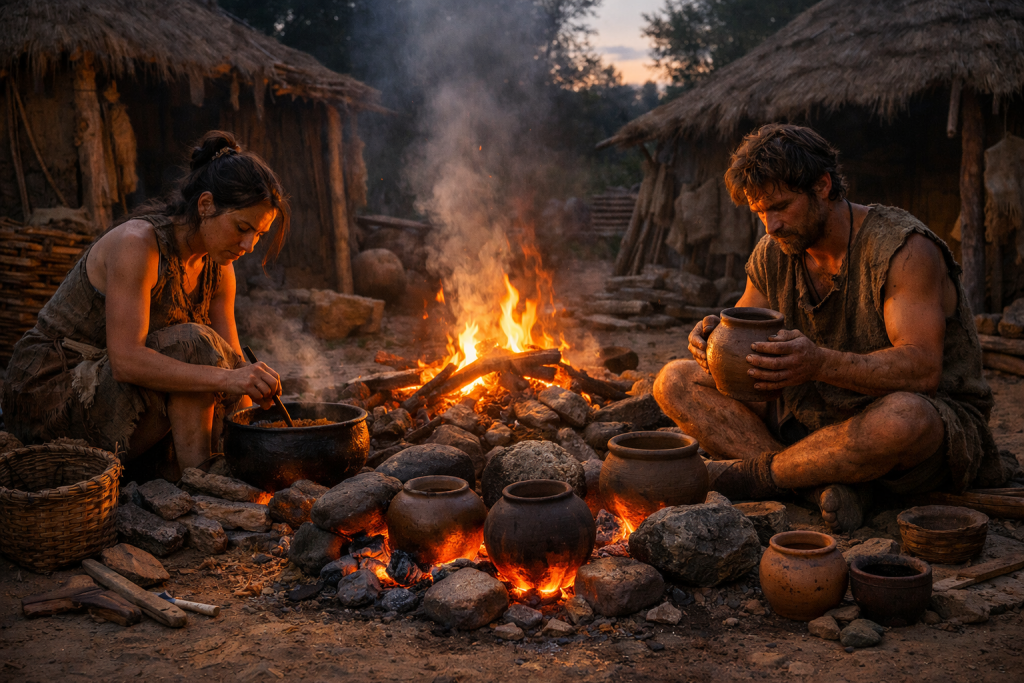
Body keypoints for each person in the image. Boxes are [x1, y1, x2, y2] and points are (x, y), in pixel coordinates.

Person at [654, 124, 1009, 532]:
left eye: (781, 206)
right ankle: (814, 483)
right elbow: (744, 324)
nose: (771, 225)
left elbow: (922, 369)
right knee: (674, 380)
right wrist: (712, 338)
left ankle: (755, 476)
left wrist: (818, 363)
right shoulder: (775, 250)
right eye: (760, 213)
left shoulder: (903, 250)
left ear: (822, 186)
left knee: (905, 419)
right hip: (812, 412)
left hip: (912, 421)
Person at [2, 131, 290, 478]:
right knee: (194, 345)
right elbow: (125, 361)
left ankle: (200, 477)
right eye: (242, 227)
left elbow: (233, 362)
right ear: (206, 205)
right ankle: (202, 487)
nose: (248, 244)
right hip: (54, 395)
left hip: (122, 398)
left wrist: (257, 419)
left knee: (215, 369)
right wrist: (231, 379)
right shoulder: (139, 244)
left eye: (259, 234)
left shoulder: (220, 269)